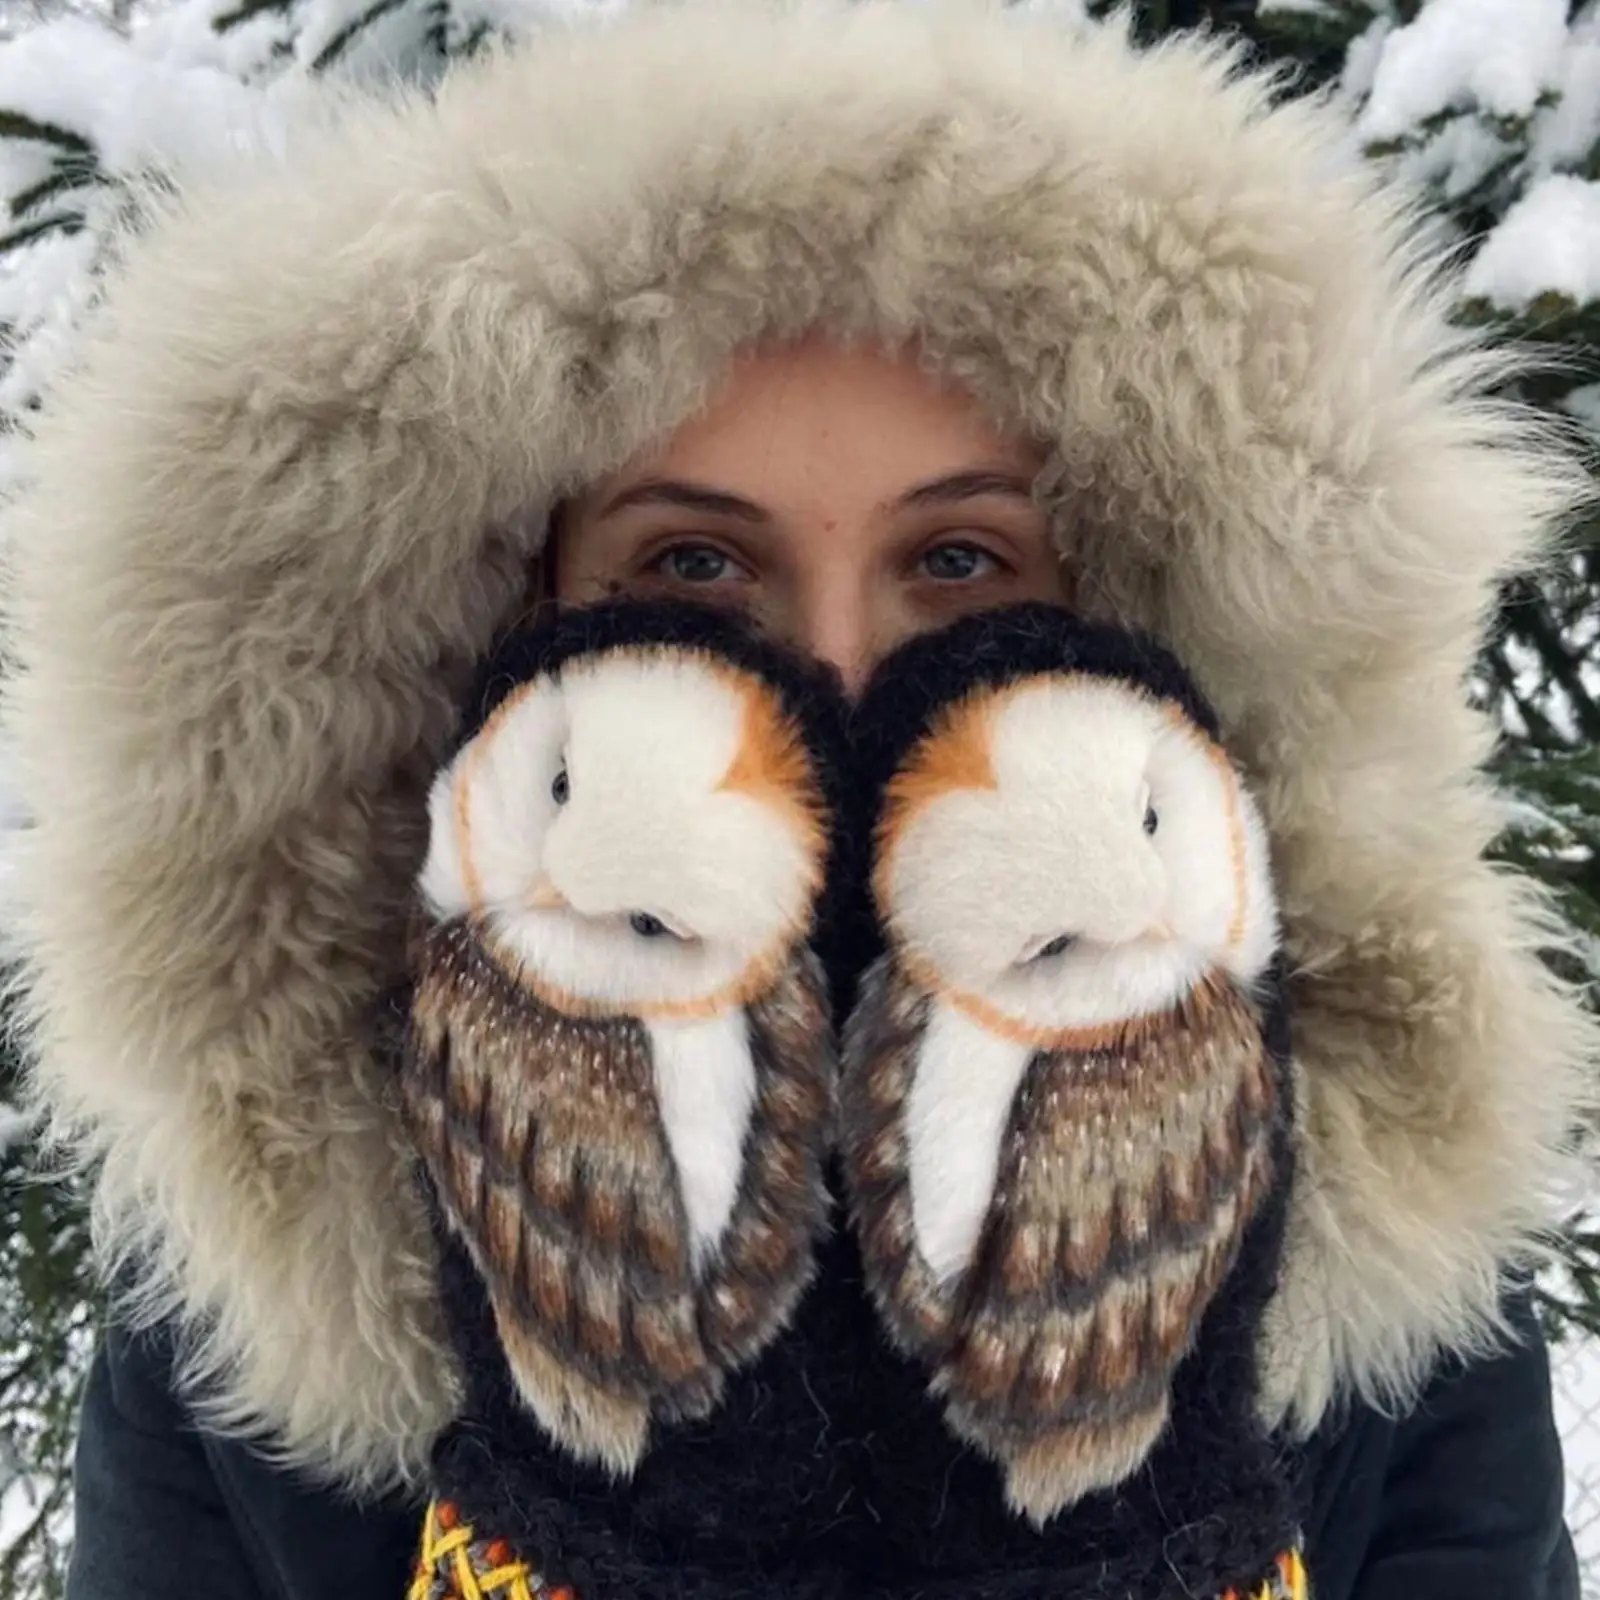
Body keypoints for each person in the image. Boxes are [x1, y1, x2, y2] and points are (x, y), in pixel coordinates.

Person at [3, 3, 1586, 1597]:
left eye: (957, 560)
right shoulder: (254, 1326)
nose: (833, 671)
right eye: (693, 565)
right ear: (509, 619)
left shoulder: (1378, 1288)